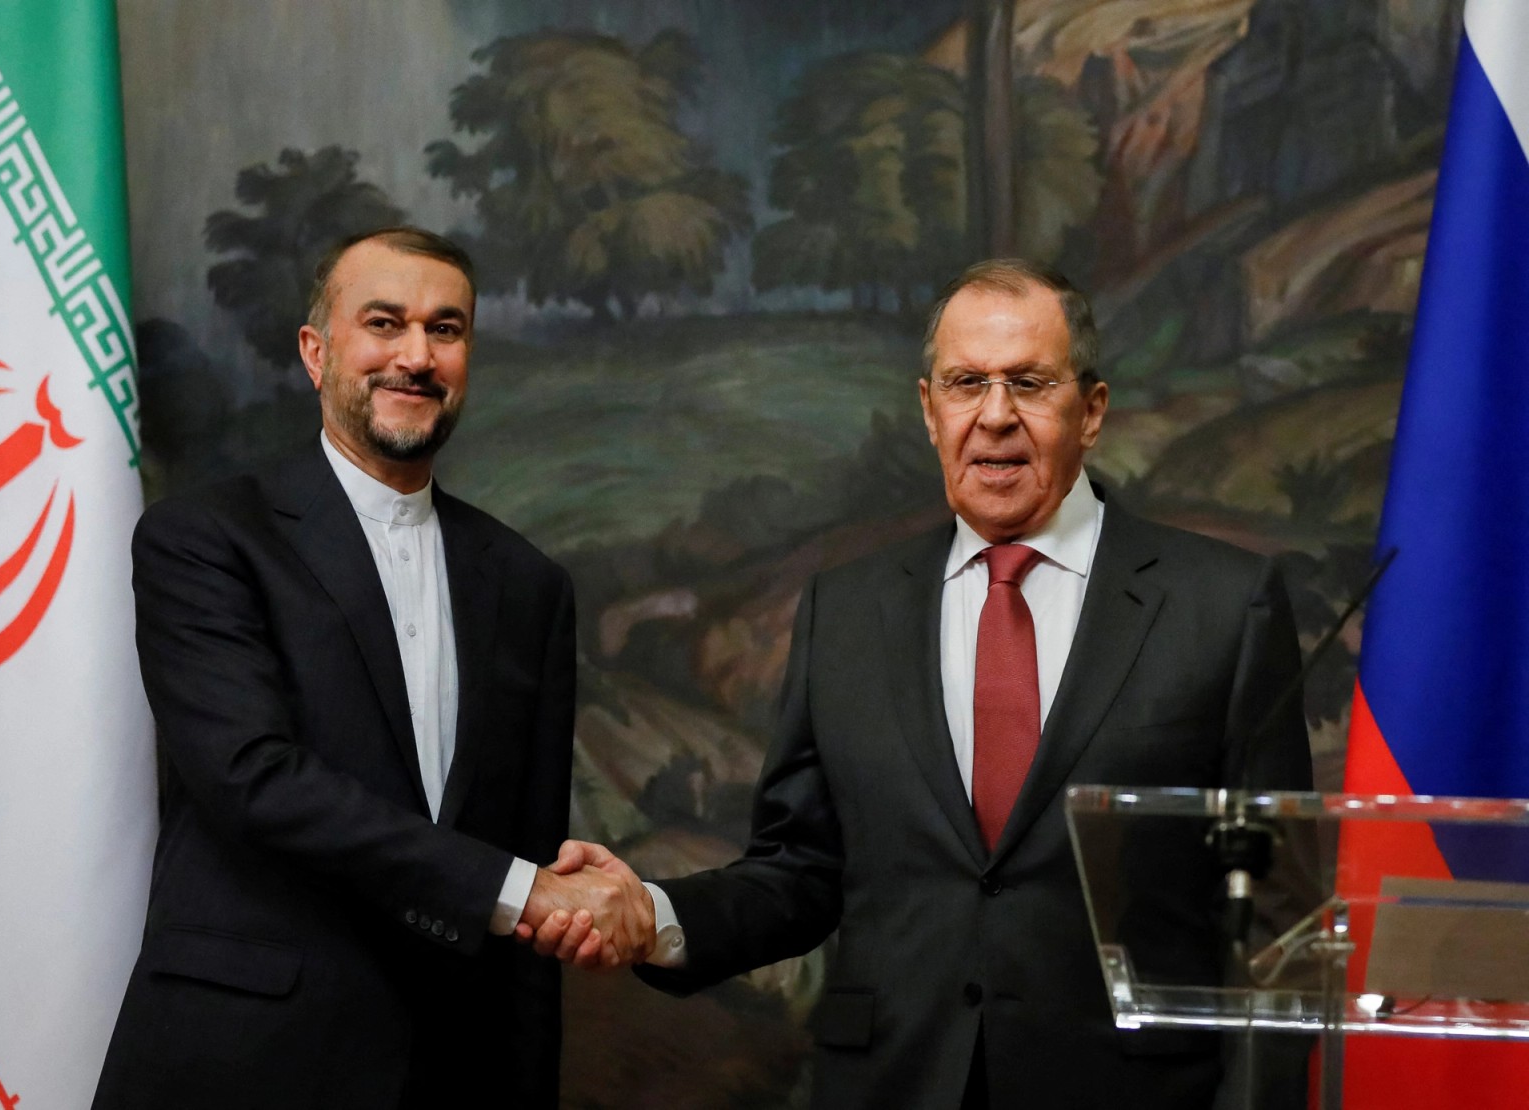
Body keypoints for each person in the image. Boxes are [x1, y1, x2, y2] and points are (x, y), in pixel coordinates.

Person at [530, 259, 1313, 1108]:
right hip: (892, 1084)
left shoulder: (1222, 605)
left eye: (1029, 383)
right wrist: (653, 914)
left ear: (1091, 411)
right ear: (930, 411)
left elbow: (1281, 921)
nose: (995, 415)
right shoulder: (846, 610)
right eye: (966, 383)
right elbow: (799, 874)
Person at [93, 227, 650, 1110]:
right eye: (384, 323)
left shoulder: (530, 585)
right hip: (243, 1064)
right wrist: (520, 891)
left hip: (451, 1073)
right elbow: (253, 780)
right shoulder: (205, 538)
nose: (416, 357)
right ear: (316, 353)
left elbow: (531, 853)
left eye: (446, 329)